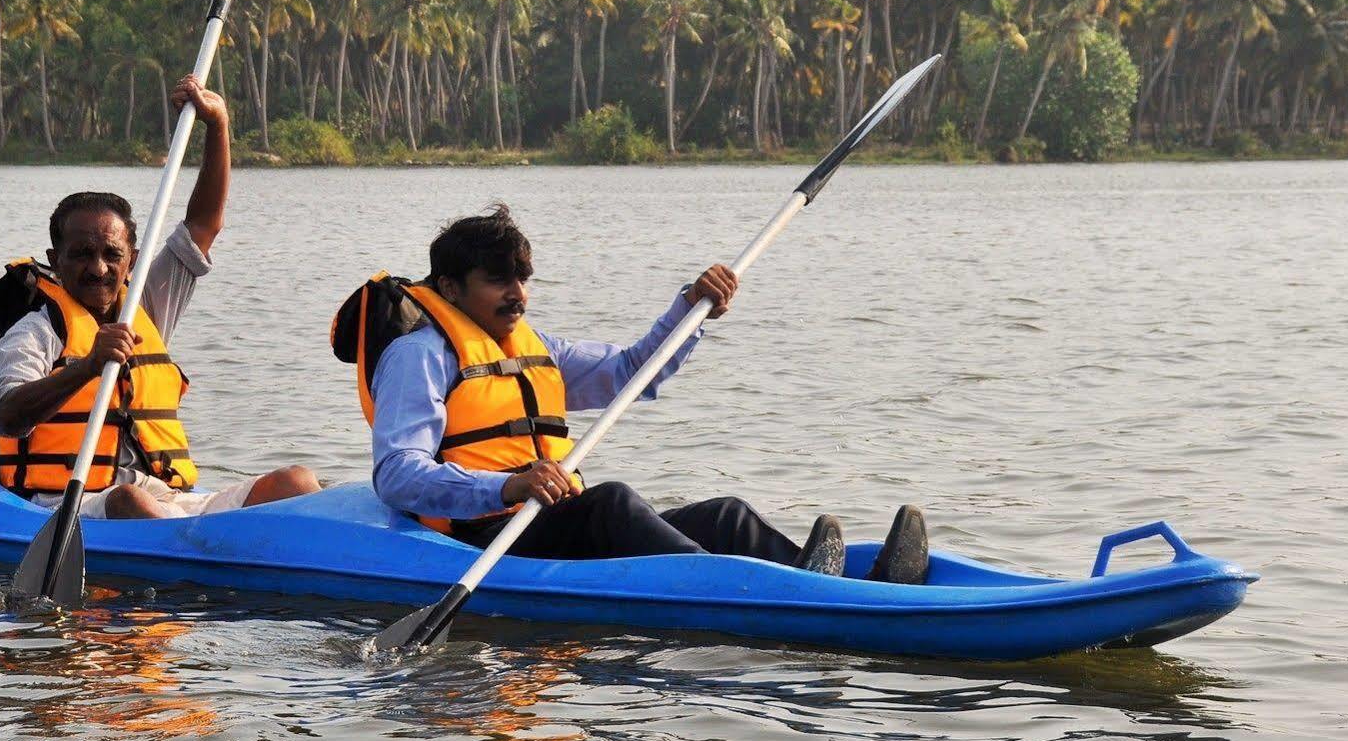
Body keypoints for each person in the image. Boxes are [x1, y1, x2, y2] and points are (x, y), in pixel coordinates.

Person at [359, 204, 930, 581]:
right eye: (498, 281)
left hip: (545, 519)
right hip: (485, 535)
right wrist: (508, 483)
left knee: (726, 516)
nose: (518, 295)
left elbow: (636, 371)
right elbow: (398, 474)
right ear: (452, 288)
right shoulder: (418, 359)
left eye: (522, 279)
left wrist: (691, 309)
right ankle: (757, 592)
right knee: (611, 503)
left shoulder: (536, 349)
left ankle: (848, 586)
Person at [0, 75, 319, 520]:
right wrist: (86, 367)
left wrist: (217, 125)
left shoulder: (146, 303)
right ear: (55, 259)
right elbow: (8, 415)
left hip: (162, 494)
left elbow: (202, 225)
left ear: (132, 259)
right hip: (72, 501)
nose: (98, 267)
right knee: (129, 502)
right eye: (81, 254)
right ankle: (199, 565)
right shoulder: (36, 330)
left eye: (111, 254)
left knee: (296, 482)